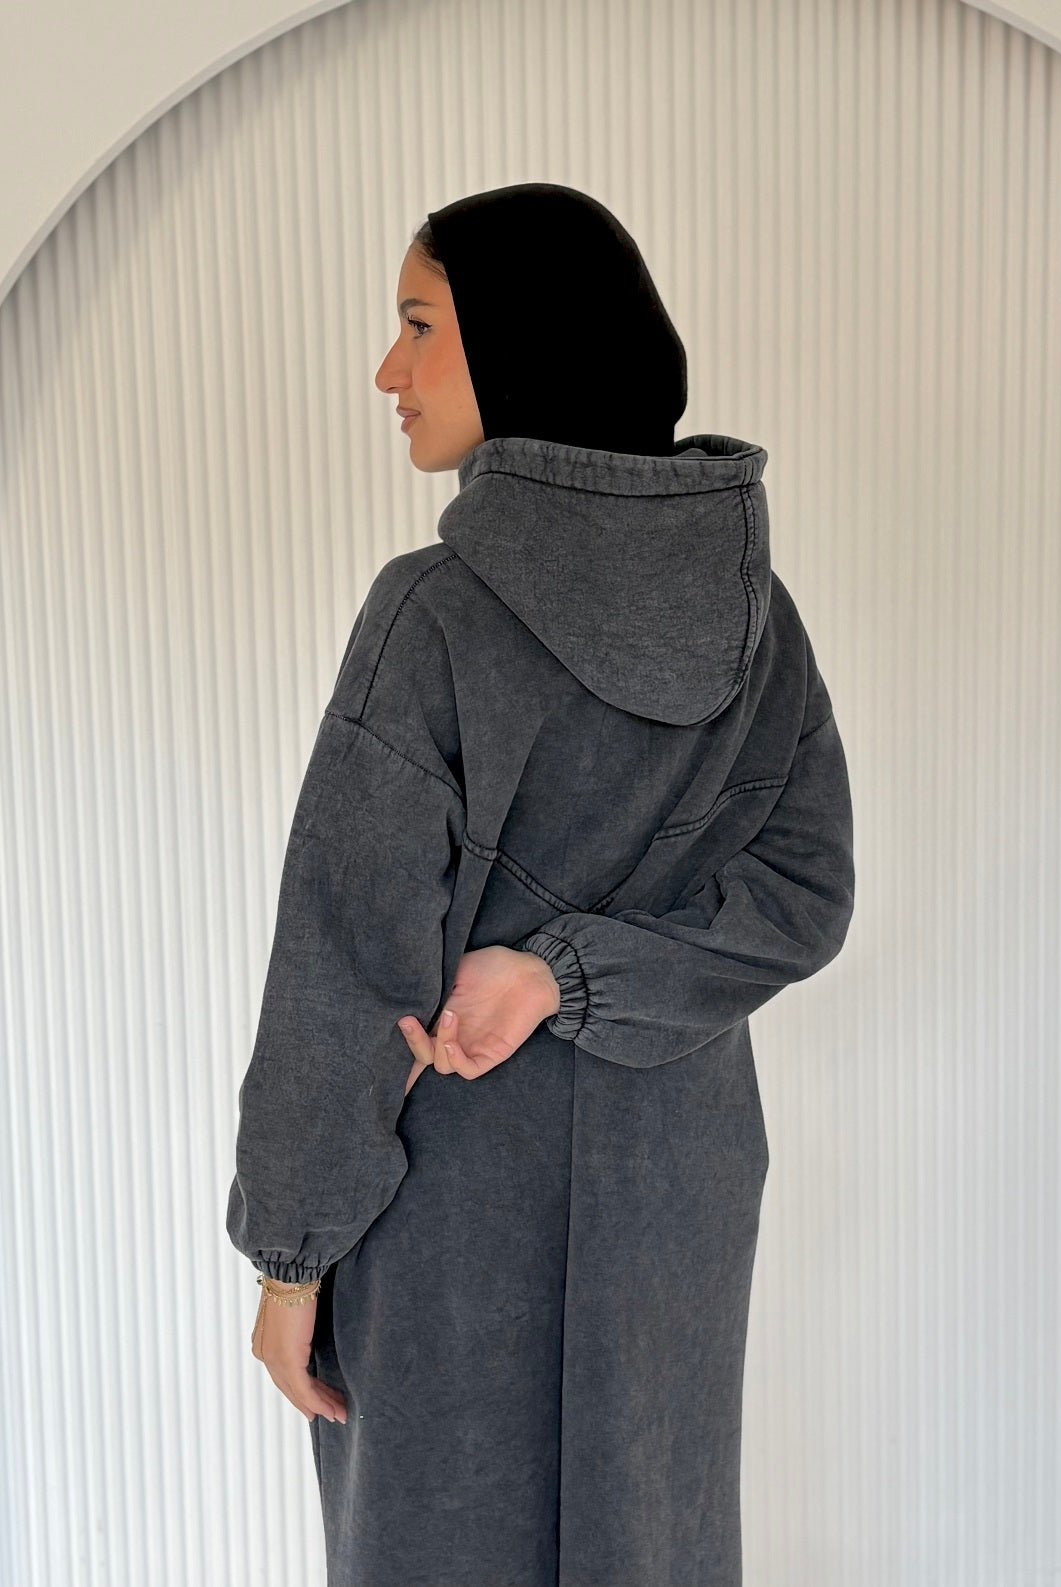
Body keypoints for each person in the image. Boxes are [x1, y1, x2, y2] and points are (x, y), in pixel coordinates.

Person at [227, 181, 856, 1587]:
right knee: (650, 1542)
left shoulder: (432, 612)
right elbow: (803, 893)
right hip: (674, 1182)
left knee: (436, 1543)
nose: (387, 371)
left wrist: (288, 1263)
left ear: (518, 341)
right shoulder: (758, 617)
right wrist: (571, 976)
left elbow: (343, 961)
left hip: (452, 1195)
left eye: (417, 326)